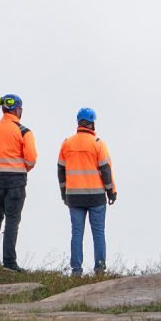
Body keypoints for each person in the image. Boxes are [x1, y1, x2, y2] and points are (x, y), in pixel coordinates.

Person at [57, 106, 116, 277]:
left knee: (77, 233)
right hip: (96, 196)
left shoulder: (67, 143)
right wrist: (111, 191)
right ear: (92, 123)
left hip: (74, 197)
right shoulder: (98, 143)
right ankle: (100, 269)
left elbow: (60, 171)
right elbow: (106, 171)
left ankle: (76, 271)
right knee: (98, 233)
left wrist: (63, 192)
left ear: (79, 123)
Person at [0, 93, 36, 268]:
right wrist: (20, 167)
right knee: (12, 219)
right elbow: (31, 159)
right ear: (17, 110)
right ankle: (9, 262)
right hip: (16, 180)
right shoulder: (24, 131)